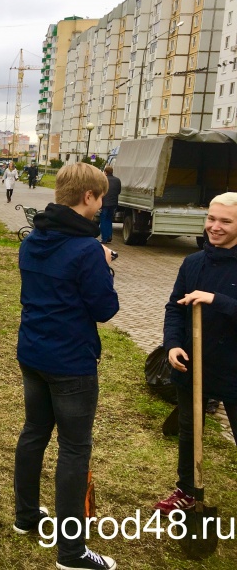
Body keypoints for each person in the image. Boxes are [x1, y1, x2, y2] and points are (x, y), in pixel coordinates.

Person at [13, 162, 118, 570]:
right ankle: (72, 552)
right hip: (71, 363)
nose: (101, 205)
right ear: (88, 197)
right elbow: (105, 309)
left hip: (33, 354)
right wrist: (104, 265)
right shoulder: (87, 249)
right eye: (100, 197)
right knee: (74, 449)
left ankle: (26, 516)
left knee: (34, 432)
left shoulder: (33, 240)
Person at [153, 192, 237, 516]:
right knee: (190, 431)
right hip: (193, 366)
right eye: (211, 218)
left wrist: (216, 300)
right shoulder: (193, 263)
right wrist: (172, 344)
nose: (214, 227)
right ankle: (187, 490)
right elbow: (174, 308)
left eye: (225, 221)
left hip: (233, 368)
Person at [99, 166, 121, 244]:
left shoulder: (103, 180)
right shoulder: (117, 180)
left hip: (104, 204)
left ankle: (104, 238)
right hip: (113, 203)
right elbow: (118, 191)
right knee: (109, 220)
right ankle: (109, 236)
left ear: (105, 172)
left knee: (103, 220)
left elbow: (100, 192)